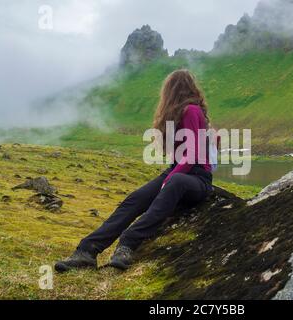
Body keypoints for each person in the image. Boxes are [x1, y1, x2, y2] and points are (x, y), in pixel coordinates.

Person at [55, 69, 215, 272]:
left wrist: (170, 179)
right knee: (136, 199)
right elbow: (179, 158)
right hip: (178, 171)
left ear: (171, 91)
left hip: (198, 178)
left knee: (175, 182)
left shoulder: (191, 110)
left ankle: (127, 244)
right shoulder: (176, 114)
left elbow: (192, 155)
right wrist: (171, 175)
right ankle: (87, 251)